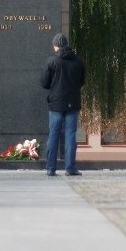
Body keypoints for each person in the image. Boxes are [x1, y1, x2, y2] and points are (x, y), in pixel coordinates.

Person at [40, 33, 85, 176]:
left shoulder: (51, 61)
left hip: (56, 104)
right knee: (71, 135)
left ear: (56, 46)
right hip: (73, 103)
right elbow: (82, 82)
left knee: (53, 134)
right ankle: (70, 168)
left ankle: (51, 168)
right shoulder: (79, 62)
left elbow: (44, 83)